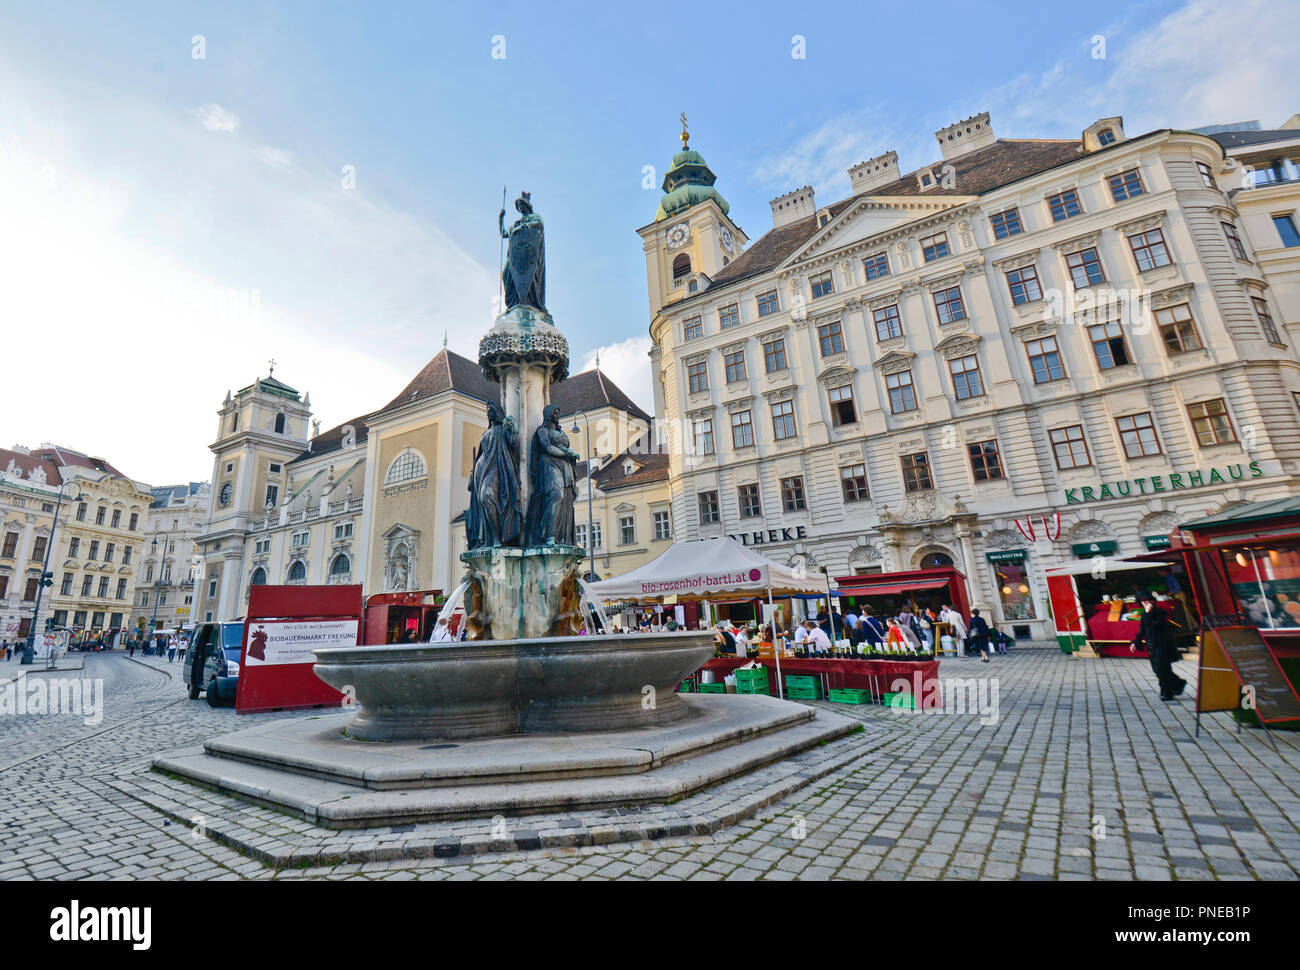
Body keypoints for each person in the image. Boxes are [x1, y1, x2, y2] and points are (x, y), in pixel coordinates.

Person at [1132, 592, 1186, 700]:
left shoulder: (1160, 612)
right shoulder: (1144, 614)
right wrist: (1135, 642)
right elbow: (1142, 629)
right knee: (1157, 669)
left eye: (1147, 601)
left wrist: (1148, 613)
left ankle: (1167, 692)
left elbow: (1153, 625)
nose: (1145, 603)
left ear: (1153, 602)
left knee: (1162, 669)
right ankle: (1178, 683)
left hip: (1162, 644)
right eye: (1143, 601)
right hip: (1152, 645)